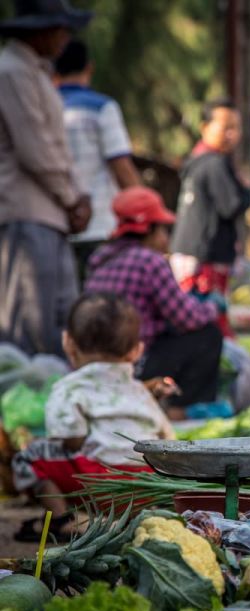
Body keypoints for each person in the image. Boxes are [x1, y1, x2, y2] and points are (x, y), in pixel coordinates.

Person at [11, 292, 174, 541]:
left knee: (28, 456)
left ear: (68, 344)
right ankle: (133, 519)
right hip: (146, 484)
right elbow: (166, 436)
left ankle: (62, 520)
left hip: (97, 483)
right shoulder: (141, 390)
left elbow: (71, 440)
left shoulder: (69, 387)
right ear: (137, 351)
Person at [0, 0, 93, 357]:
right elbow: (34, 148)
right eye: (61, 29)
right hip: (27, 210)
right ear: (40, 30)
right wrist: (71, 198)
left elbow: (57, 147)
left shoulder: (36, 72)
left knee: (61, 318)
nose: (65, 38)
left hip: (52, 213)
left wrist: (76, 197)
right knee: (28, 323)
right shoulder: (12, 72)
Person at [85, 186, 223, 417]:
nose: (165, 238)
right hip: (135, 362)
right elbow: (187, 318)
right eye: (162, 230)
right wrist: (213, 306)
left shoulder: (100, 258)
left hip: (95, 360)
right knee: (208, 334)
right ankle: (179, 411)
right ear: (149, 230)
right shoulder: (149, 261)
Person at [54, 39, 140, 283]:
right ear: (89, 68)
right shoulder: (102, 108)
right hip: (99, 224)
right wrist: (145, 211)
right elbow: (122, 168)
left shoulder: (41, 104)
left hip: (53, 225)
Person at [169, 98, 250, 335]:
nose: (231, 134)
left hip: (192, 254)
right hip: (202, 260)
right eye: (225, 126)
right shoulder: (214, 164)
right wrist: (246, 190)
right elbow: (230, 206)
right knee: (204, 325)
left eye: (236, 127)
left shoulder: (197, 161)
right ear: (205, 127)